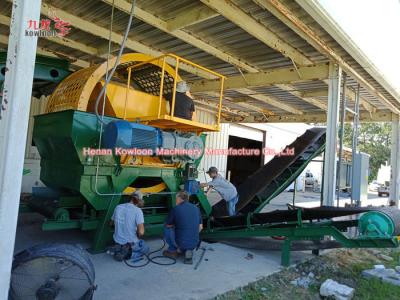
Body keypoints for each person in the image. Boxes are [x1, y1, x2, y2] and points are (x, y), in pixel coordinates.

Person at [163, 191, 203, 264]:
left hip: (181, 242)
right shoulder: (196, 208)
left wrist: (175, 225)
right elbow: (200, 227)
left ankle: (173, 250)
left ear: (179, 198)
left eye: (176, 198)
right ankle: (187, 249)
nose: (175, 200)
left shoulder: (176, 209)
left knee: (166, 227)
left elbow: (168, 225)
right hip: (195, 243)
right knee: (189, 229)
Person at [110, 191, 146, 261]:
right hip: (130, 242)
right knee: (145, 248)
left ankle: (119, 248)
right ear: (139, 200)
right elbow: (141, 232)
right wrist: (137, 237)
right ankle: (129, 254)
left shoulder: (118, 207)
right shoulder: (138, 211)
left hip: (117, 239)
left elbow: (111, 223)